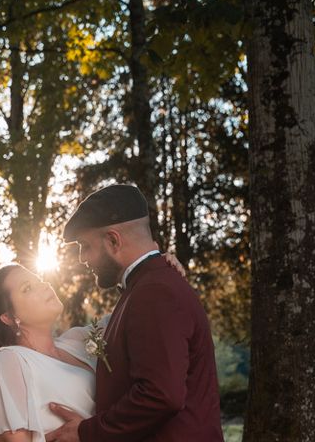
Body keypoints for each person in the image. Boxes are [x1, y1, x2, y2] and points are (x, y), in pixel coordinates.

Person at [45, 184, 223, 442]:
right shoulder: (148, 287)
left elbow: (161, 395)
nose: (83, 259)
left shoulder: (154, 292)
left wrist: (87, 432)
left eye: (85, 246)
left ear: (113, 240)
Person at [0, 247, 185, 441]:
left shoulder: (78, 341)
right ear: (8, 316)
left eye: (38, 279)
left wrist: (157, 270)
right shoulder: (9, 361)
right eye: (27, 288)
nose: (43, 285)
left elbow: (136, 310)